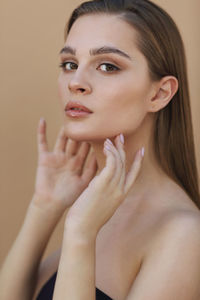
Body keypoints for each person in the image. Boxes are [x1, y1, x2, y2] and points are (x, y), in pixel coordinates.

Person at [1, 0, 200, 299]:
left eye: (107, 66)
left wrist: (81, 233)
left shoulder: (185, 238)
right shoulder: (102, 205)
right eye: (69, 64)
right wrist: (44, 206)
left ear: (159, 93)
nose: (76, 82)